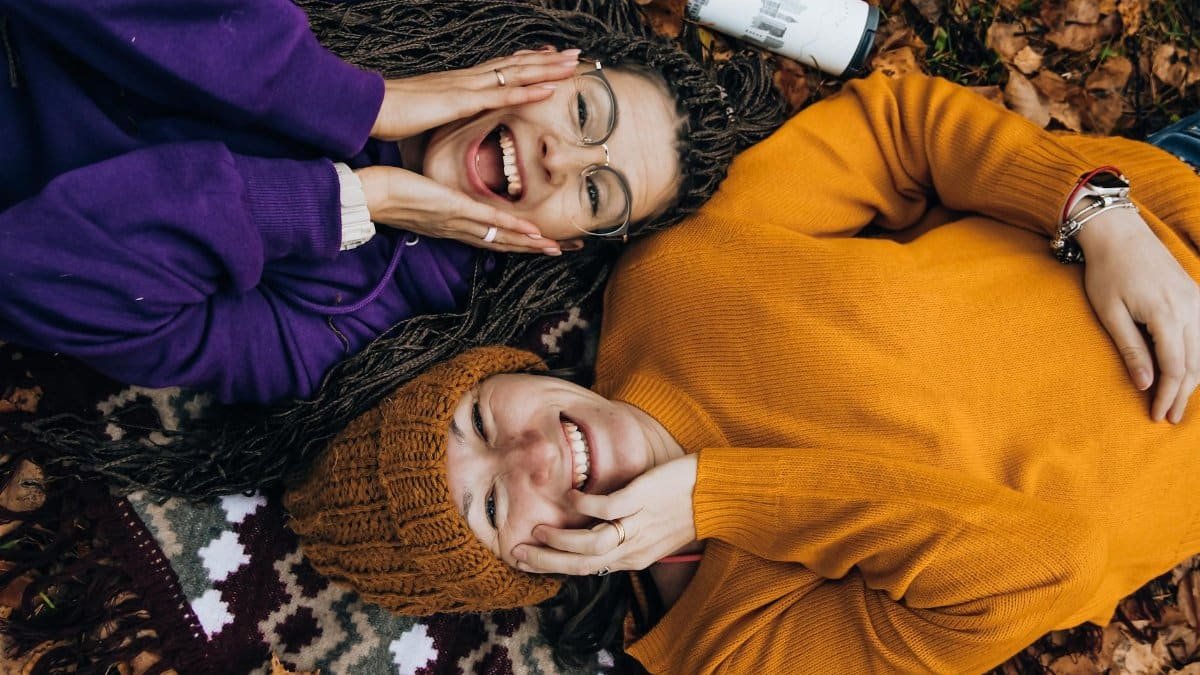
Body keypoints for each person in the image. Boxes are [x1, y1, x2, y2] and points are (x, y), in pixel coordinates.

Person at [284, 72, 1200, 673]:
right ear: (521, 572)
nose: (529, 452)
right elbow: (1041, 565)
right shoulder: (733, 649)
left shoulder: (669, 281)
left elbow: (896, 129)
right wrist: (719, 496)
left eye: (479, 421)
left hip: (1167, 214)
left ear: (499, 370)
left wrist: (1093, 212)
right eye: (489, 507)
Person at [0, 0, 783, 405]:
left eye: (594, 190)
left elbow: (36, 280)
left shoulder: (354, 328)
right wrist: (354, 103)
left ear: (561, 244)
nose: (559, 157)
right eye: (585, 114)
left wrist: (343, 199)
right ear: (544, 63)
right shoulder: (376, 18)